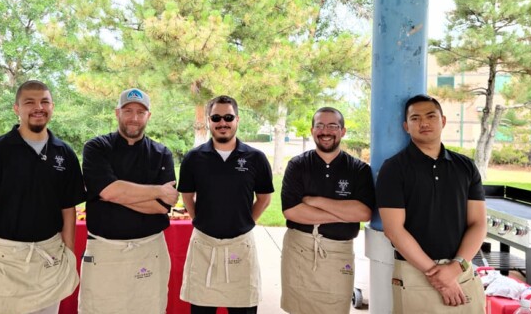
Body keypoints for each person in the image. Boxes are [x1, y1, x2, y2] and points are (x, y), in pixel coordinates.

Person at [0, 80, 86, 314]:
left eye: (44, 102)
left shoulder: (65, 153)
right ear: (16, 108)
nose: (38, 107)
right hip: (4, 261)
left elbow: (68, 212)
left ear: (52, 106)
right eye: (29, 102)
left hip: (49, 260)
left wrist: (69, 258)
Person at [376, 94, 487, 313]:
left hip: (461, 270)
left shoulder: (466, 167)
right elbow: (394, 230)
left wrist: (455, 268)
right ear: (406, 126)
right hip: (415, 272)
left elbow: (478, 223)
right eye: (415, 118)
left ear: (443, 121)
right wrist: (438, 275)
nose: (424, 123)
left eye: (430, 116)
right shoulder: (394, 169)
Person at [78, 88, 178, 314]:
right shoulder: (96, 147)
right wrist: (155, 191)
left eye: (140, 112)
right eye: (128, 111)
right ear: (117, 113)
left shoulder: (162, 153)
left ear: (148, 116)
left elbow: (162, 207)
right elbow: (110, 191)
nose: (134, 118)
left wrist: (114, 194)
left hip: (149, 251)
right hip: (105, 251)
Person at [178, 95, 274, 314]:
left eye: (228, 117)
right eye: (216, 118)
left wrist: (247, 221)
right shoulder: (193, 158)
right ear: (209, 121)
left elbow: (264, 198)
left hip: (241, 246)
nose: (223, 123)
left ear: (237, 119)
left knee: (244, 309)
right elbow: (186, 196)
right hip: (204, 246)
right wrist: (199, 219)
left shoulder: (256, 158)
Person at [280, 106, 375, 314]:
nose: (326, 131)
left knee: (336, 308)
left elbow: (363, 212)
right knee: (298, 309)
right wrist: (342, 214)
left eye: (333, 126)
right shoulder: (297, 165)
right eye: (320, 125)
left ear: (343, 131)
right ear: (312, 130)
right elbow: (292, 211)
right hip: (300, 251)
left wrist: (316, 201)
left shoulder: (358, 169)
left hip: (339, 253)